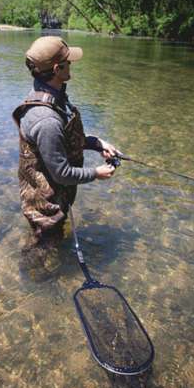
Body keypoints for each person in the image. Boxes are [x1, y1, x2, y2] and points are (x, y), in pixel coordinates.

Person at [12, 35, 119, 240]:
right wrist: (96, 173)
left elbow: (64, 140)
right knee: (44, 255)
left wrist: (97, 144)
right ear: (57, 70)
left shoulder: (53, 95)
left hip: (55, 199)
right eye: (68, 62)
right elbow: (62, 173)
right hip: (46, 210)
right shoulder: (46, 121)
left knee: (51, 248)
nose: (71, 65)